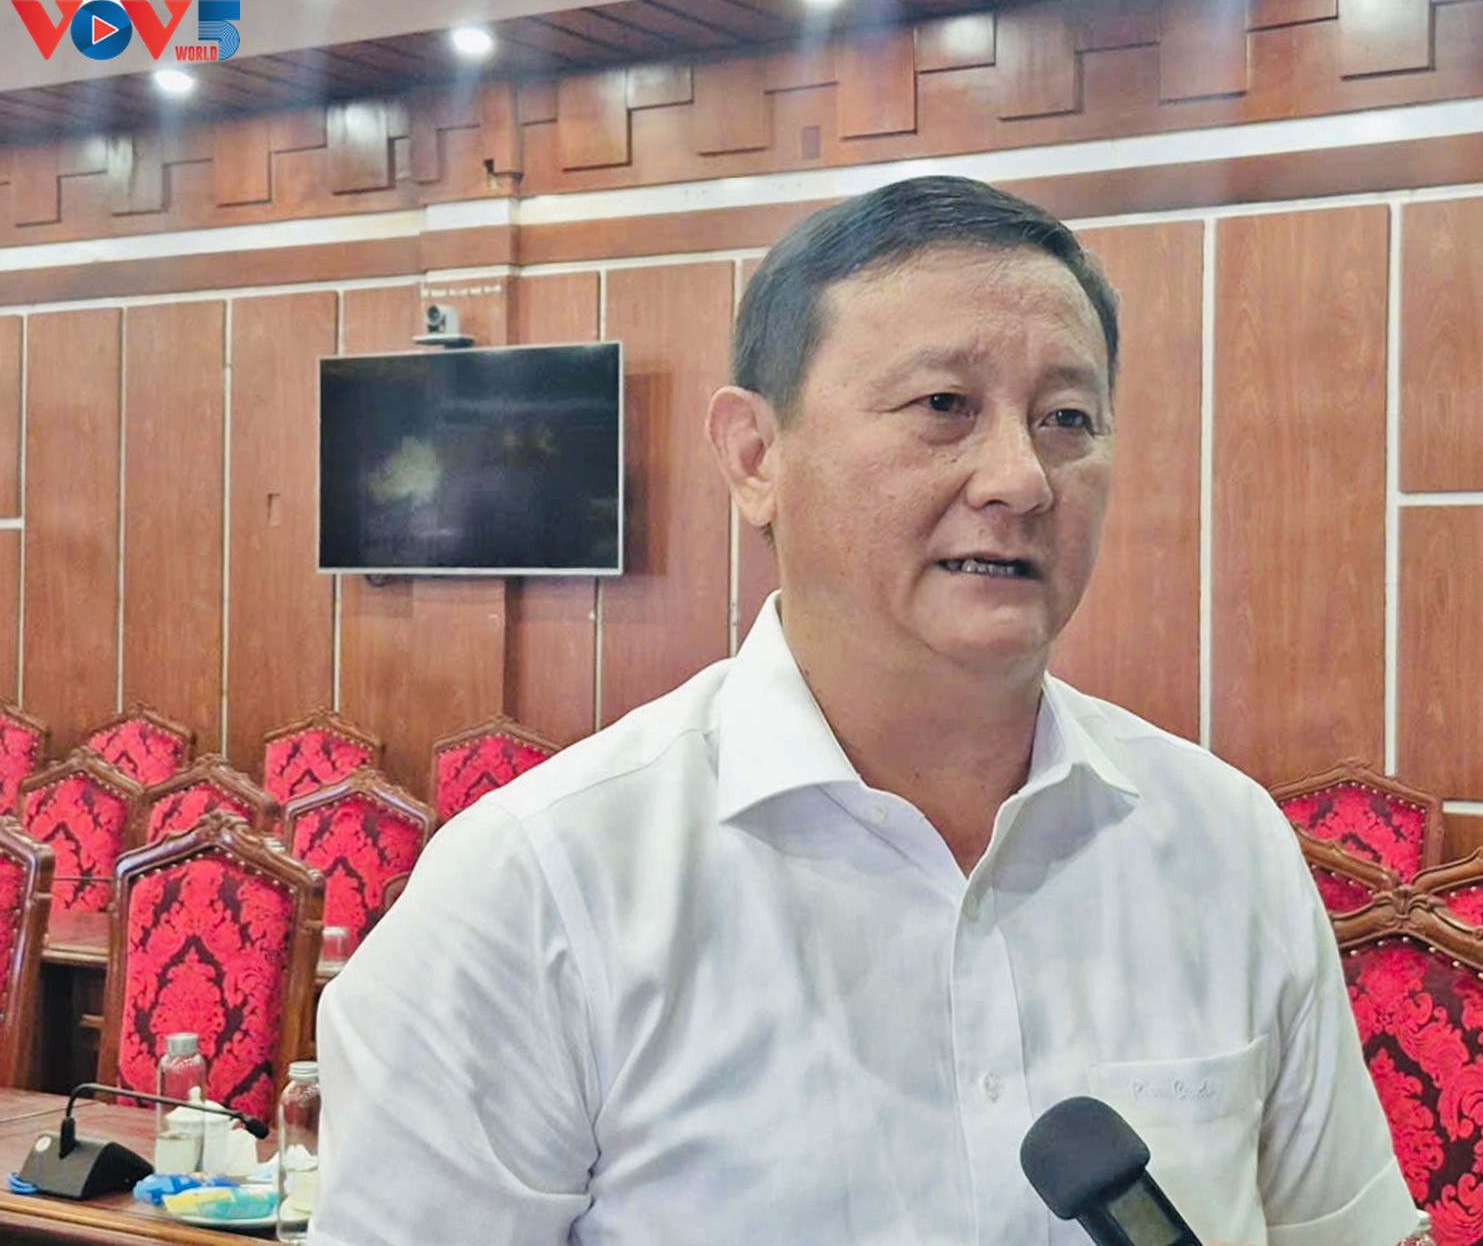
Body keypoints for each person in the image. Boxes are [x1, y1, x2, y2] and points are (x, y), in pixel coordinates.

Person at [311, 175, 1426, 1246]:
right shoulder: (536, 891)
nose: (1021, 478)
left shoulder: (1225, 845)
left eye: (1067, 417)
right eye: (943, 406)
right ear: (755, 456)